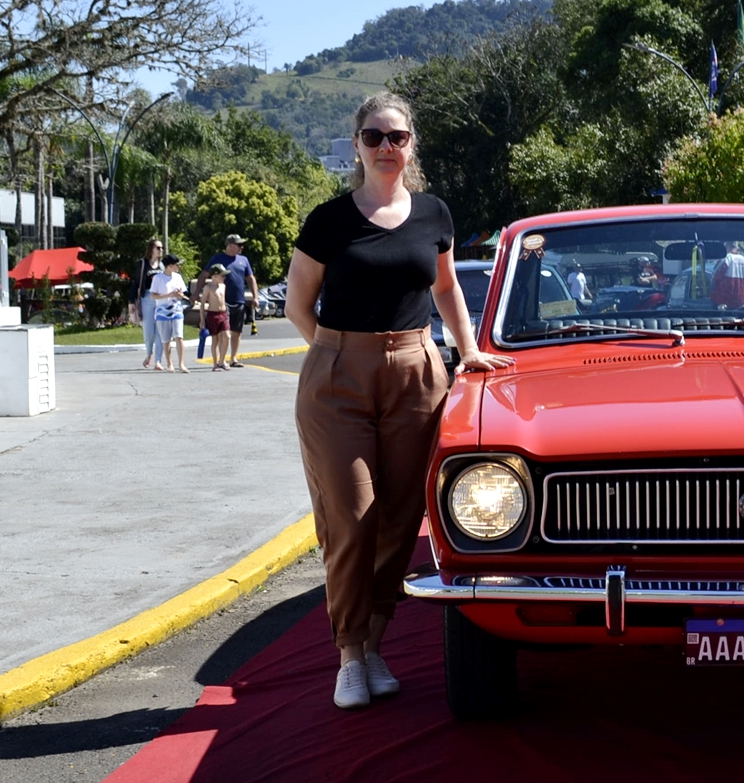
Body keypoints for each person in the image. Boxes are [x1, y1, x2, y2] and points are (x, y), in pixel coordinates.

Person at [286, 92, 513, 710]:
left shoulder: (434, 213)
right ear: (357, 145)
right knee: (351, 516)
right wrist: (336, 353)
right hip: (338, 379)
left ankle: (374, 647)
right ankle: (348, 655)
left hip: (417, 373)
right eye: (373, 136)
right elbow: (298, 305)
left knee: (398, 518)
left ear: (412, 145)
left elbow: (446, 288)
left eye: (397, 136)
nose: (386, 147)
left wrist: (468, 349)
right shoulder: (329, 220)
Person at [205, 234, 257, 369]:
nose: (241, 247)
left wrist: (255, 296)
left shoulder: (244, 260)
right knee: (224, 333)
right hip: (223, 303)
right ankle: (222, 359)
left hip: (239, 300)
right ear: (230, 246)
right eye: (239, 245)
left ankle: (234, 358)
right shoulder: (217, 259)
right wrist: (196, 293)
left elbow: (250, 278)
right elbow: (204, 274)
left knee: (237, 331)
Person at [148, 254, 189, 373]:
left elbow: (183, 294)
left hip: (176, 310)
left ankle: (181, 364)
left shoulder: (178, 277)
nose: (178, 267)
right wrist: (168, 295)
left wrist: (180, 295)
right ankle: (170, 364)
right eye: (177, 265)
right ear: (169, 266)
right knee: (166, 339)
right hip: (162, 312)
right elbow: (153, 295)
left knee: (179, 336)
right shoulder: (158, 278)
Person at [131, 238, 165, 369]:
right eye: (158, 248)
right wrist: (131, 301)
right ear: (151, 249)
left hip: (161, 299)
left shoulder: (162, 265)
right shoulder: (143, 264)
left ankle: (158, 361)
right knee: (149, 331)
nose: (161, 250)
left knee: (160, 331)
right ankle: (149, 353)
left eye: (162, 248)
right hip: (147, 298)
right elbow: (135, 283)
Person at [195, 264, 232, 372]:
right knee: (215, 340)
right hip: (212, 314)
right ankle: (215, 363)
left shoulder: (223, 286)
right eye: (222, 275)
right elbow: (202, 304)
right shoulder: (208, 287)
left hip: (223, 314)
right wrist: (202, 320)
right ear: (215, 276)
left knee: (227, 336)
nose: (224, 278)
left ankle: (222, 360)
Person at [711, 241, 744, 309]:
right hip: (740, 302)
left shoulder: (726, 258)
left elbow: (715, 277)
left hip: (723, 302)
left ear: (726, 247)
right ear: (737, 248)